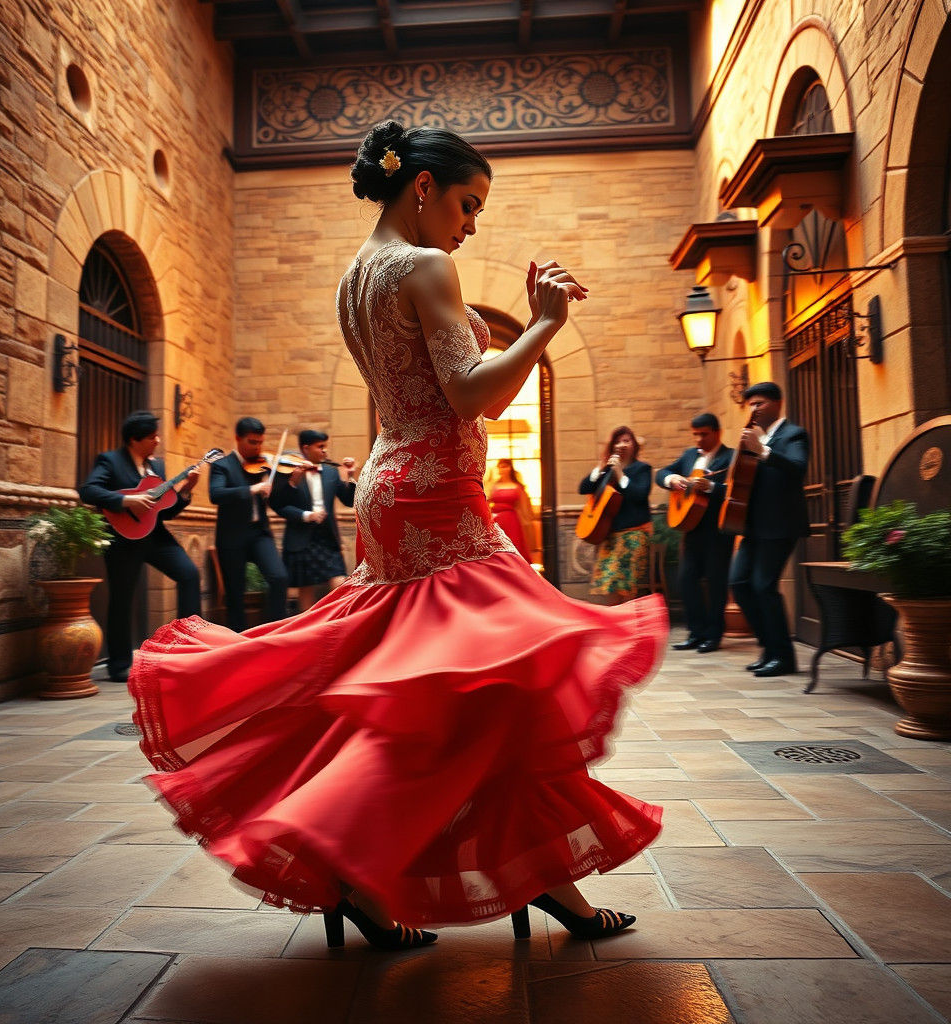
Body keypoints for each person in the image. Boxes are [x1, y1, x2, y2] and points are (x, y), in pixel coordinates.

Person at [126, 120, 667, 952]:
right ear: (422, 186)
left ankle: (401, 874)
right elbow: (472, 394)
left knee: (438, 689)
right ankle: (402, 855)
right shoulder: (423, 265)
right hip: (436, 497)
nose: (471, 225)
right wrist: (543, 323)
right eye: (467, 204)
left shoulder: (358, 273)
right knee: (496, 683)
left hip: (391, 487)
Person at [79, 410, 201, 682]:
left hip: (156, 537)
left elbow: (165, 511)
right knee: (122, 598)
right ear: (134, 439)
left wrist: (186, 490)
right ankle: (119, 664)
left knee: (190, 575)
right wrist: (126, 501)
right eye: (152, 437)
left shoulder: (157, 468)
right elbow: (88, 490)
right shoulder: (110, 461)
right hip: (123, 539)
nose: (157, 441)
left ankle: (190, 648)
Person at [727, 381, 810, 678]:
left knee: (764, 586)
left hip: (780, 524)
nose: (754, 409)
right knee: (739, 583)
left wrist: (761, 450)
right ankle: (769, 648)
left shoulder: (794, 434)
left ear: (778, 403)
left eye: (759, 403)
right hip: (752, 527)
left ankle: (783, 657)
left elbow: (798, 467)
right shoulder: (754, 437)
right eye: (750, 404)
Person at [656, 412, 735, 653]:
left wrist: (711, 487)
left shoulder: (731, 457)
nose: (699, 439)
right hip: (691, 530)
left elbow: (737, 492)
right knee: (686, 580)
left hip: (718, 531)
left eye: (704, 434)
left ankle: (713, 636)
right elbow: (660, 474)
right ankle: (695, 633)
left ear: (717, 433)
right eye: (695, 434)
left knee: (716, 583)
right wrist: (672, 479)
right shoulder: (689, 455)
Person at [208, 417, 290, 630]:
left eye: (260, 442)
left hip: (259, 533)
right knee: (235, 593)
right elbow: (216, 494)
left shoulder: (263, 465)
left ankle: (275, 631)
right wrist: (252, 489)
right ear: (238, 438)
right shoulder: (222, 465)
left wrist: (289, 481)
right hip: (232, 536)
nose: (257, 447)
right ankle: (240, 639)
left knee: (279, 577)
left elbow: (277, 500)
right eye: (252, 442)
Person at [270, 428, 358, 612]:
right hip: (301, 538)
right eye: (320, 446)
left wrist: (350, 476)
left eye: (325, 446)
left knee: (340, 584)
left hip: (327, 538)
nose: (325, 450)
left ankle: (340, 623)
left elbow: (349, 500)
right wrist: (304, 510)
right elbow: (278, 504)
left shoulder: (332, 472)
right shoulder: (288, 471)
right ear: (306, 448)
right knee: (306, 592)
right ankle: (308, 627)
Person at [580, 426, 653, 606]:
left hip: (634, 532)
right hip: (611, 535)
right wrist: (600, 467)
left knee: (625, 584)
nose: (621, 445)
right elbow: (584, 488)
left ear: (634, 445)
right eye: (617, 441)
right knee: (608, 584)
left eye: (626, 441)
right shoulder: (607, 470)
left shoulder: (642, 469)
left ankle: (628, 618)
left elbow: (639, 495)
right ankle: (617, 617)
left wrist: (620, 474)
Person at [486, 457, 539, 563]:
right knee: (497, 546)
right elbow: (486, 501)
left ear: (510, 468)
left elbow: (525, 507)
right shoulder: (493, 486)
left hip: (511, 520)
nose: (502, 469)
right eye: (500, 467)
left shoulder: (517, 487)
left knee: (513, 544)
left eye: (504, 467)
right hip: (495, 520)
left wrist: (528, 524)